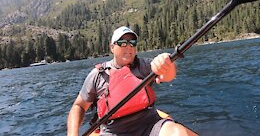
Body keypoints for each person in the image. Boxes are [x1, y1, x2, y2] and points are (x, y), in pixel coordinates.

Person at [67, 26, 197, 136]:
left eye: (132, 43)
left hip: (149, 124)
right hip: (114, 131)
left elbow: (167, 76)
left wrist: (167, 62)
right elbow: (78, 106)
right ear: (112, 47)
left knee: (177, 133)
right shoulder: (98, 75)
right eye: (123, 43)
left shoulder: (144, 65)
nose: (129, 47)